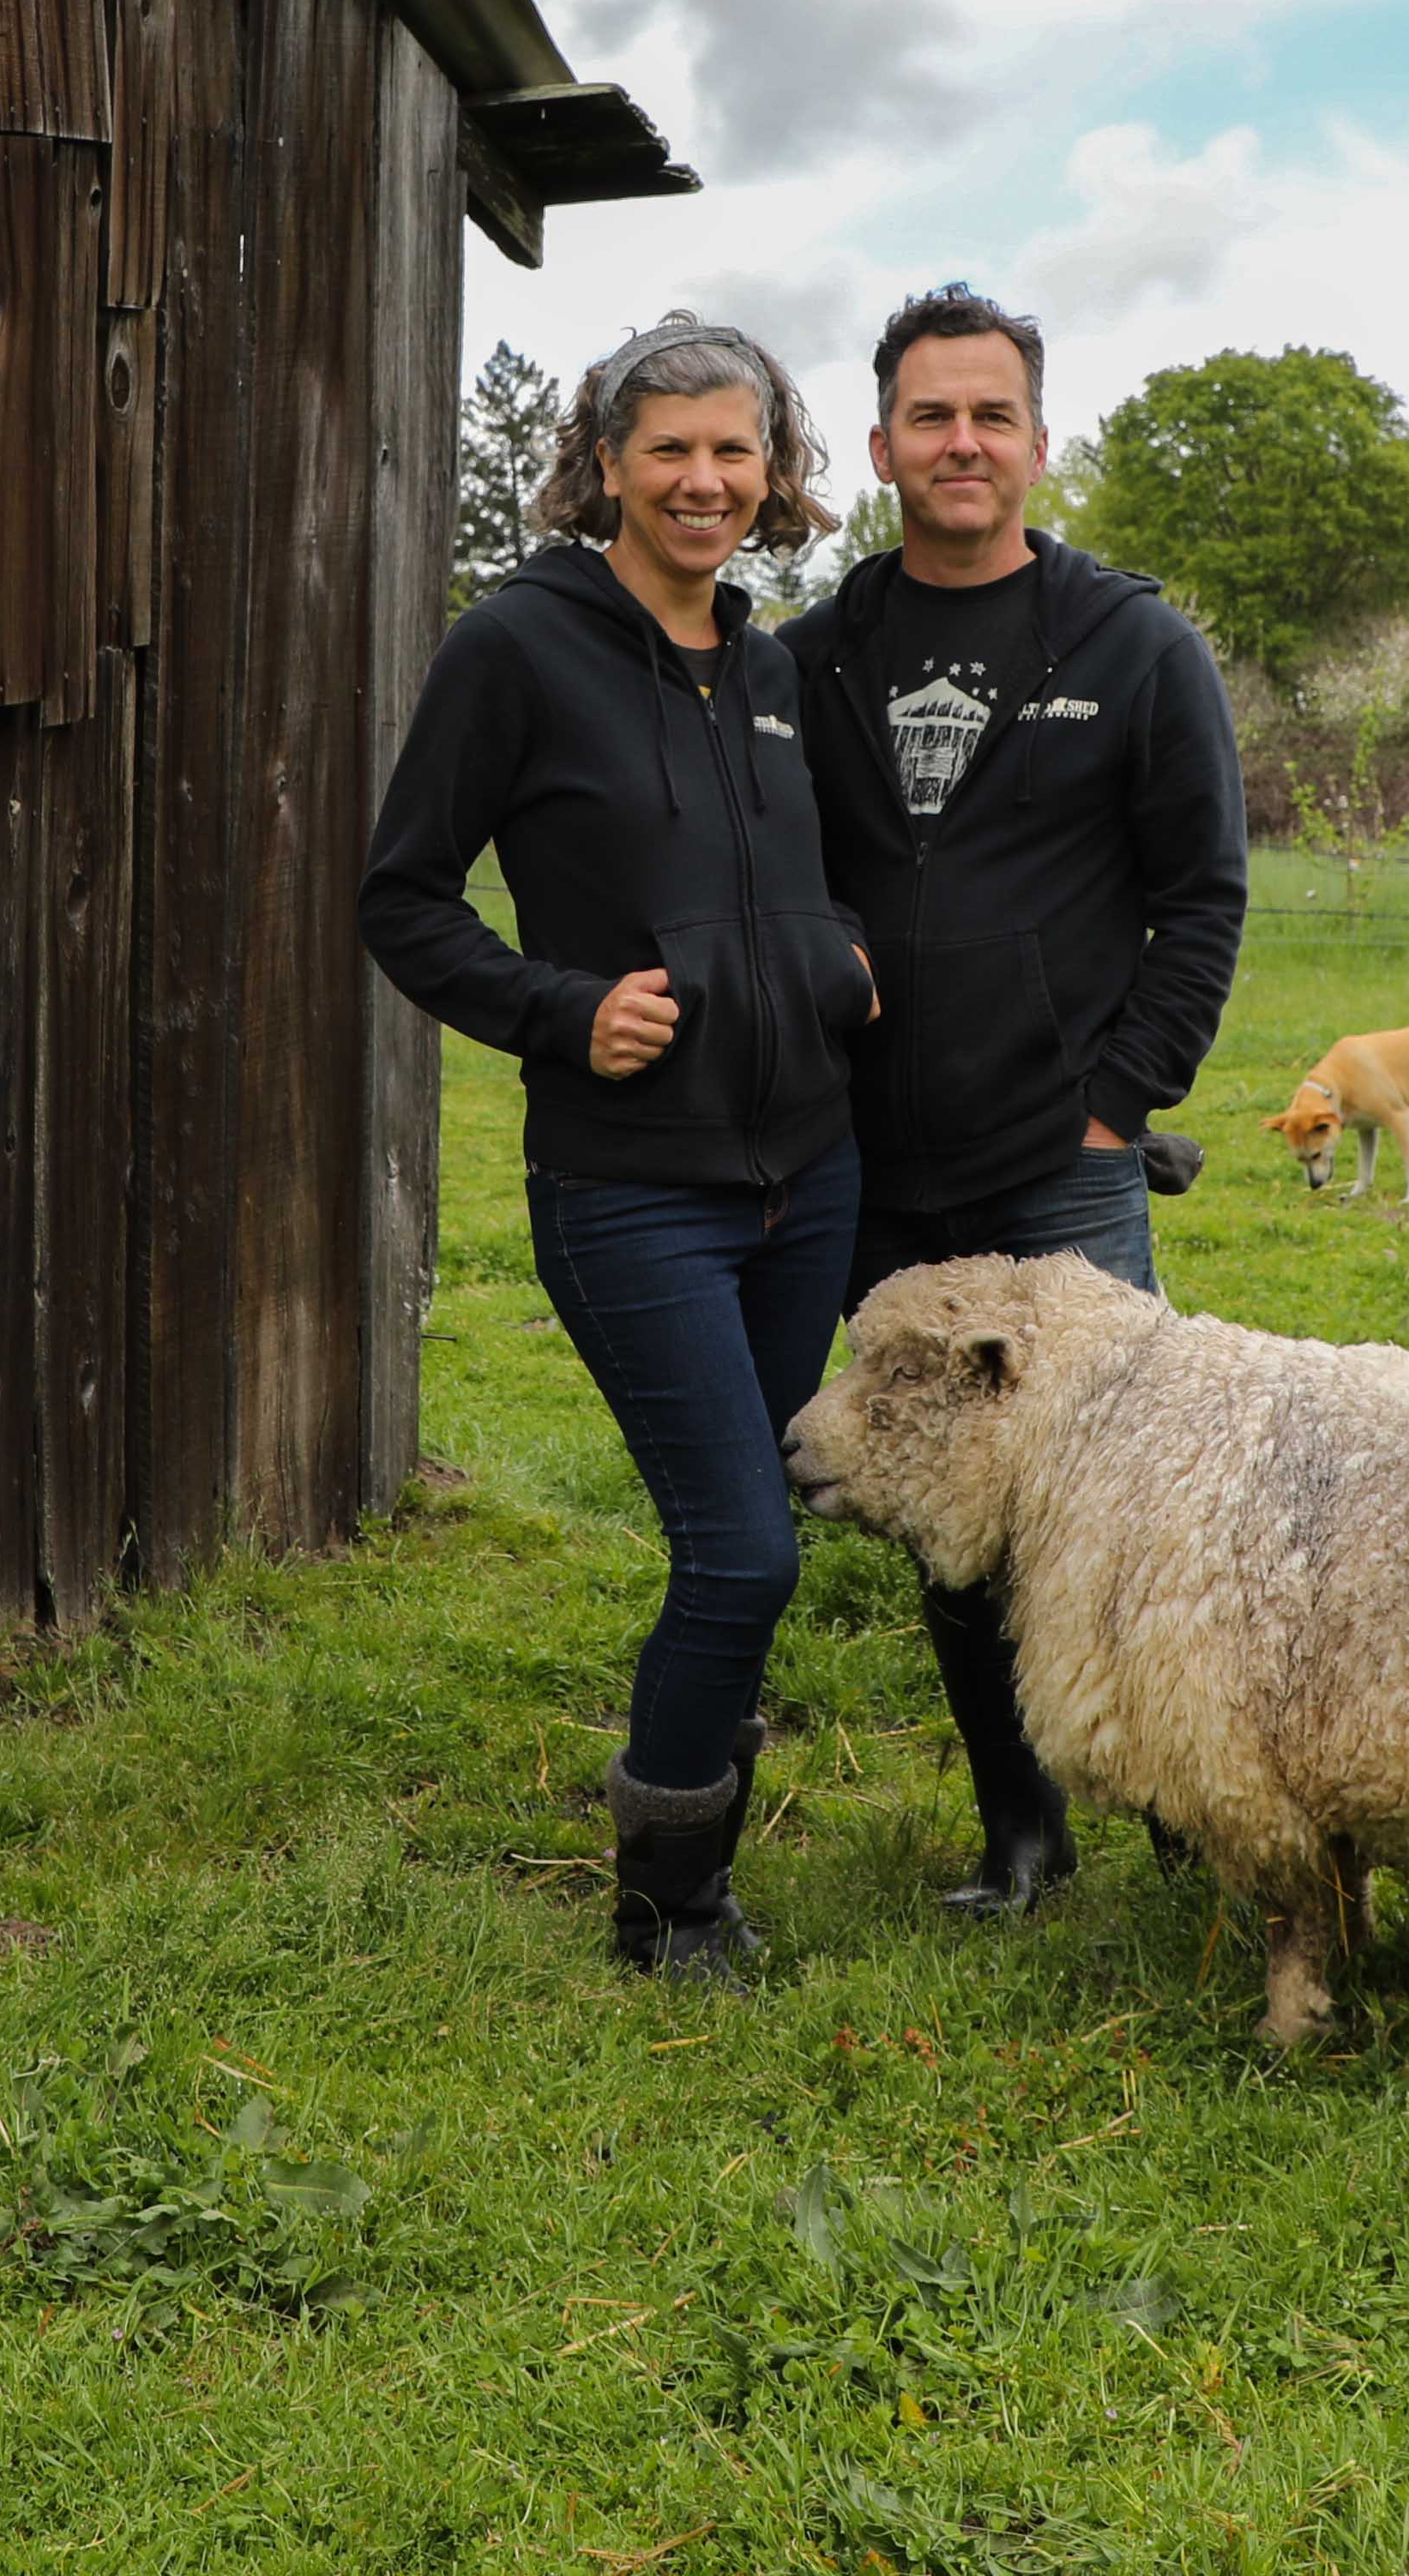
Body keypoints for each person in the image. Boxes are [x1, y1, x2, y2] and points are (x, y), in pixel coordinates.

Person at [357, 312, 872, 1974]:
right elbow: (402, 897)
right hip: (632, 1183)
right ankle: (672, 1908)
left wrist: (836, 950)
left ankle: (704, 1792)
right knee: (741, 1543)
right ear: (603, 464)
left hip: (811, 1174)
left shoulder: (775, 665)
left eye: (736, 450)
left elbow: (797, 868)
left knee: (753, 1543)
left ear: (775, 471)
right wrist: (559, 1009)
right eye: (670, 449)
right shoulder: (515, 648)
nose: (705, 481)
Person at [778, 282, 1247, 1912]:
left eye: (990, 414)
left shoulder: (1133, 647)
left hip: (1066, 1160)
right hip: (877, 1167)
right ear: (882, 441)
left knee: (1121, 1497)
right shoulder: (814, 660)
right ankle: (1022, 1830)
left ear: (1038, 442)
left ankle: (1195, 1804)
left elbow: (1203, 901)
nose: (960, 442)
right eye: (930, 414)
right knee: (949, 1511)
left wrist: (1117, 1106)